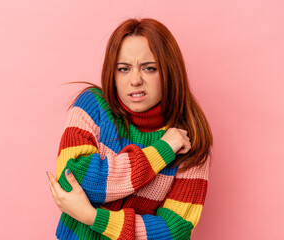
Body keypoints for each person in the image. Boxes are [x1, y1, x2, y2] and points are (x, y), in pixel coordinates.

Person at [47, 18, 213, 240]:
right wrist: (162, 150)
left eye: (149, 68)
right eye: (124, 69)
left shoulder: (191, 140)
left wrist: (93, 217)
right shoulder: (92, 107)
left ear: (169, 72)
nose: (135, 80)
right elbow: (75, 178)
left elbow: (175, 230)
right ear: (113, 74)